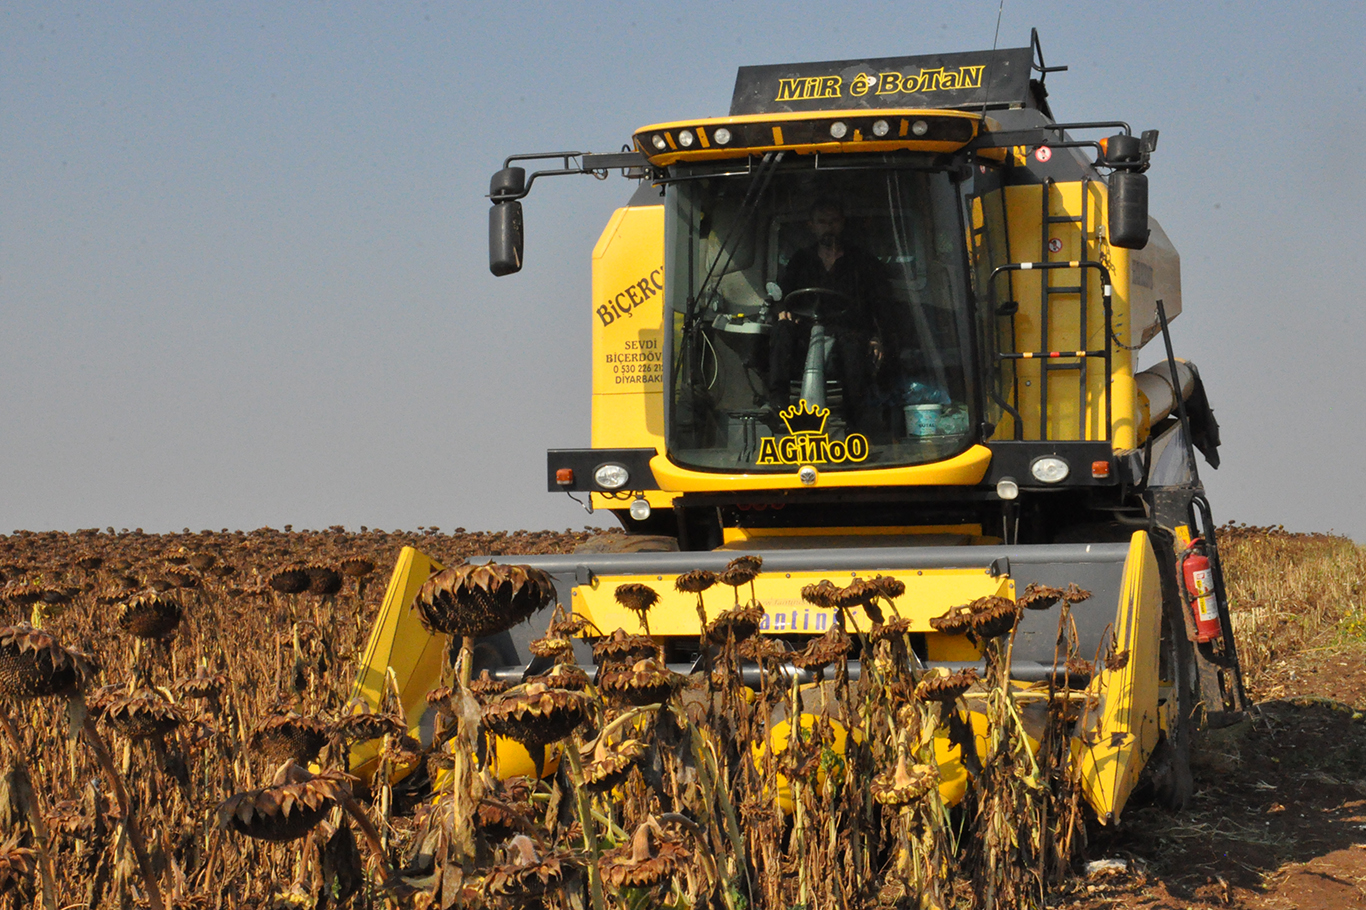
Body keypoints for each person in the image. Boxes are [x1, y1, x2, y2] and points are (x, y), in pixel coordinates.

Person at [767, 197, 891, 433]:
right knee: (781, 330)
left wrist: (877, 337)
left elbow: (880, 304)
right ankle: (778, 402)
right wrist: (782, 310)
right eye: (822, 222)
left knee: (854, 346)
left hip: (847, 332)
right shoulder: (800, 261)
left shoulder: (862, 262)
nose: (828, 227)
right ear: (811, 226)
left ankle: (856, 421)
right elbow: (781, 295)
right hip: (804, 336)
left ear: (842, 223)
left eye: (833, 221)